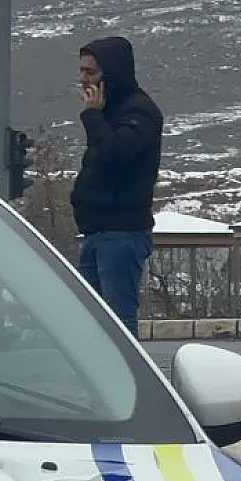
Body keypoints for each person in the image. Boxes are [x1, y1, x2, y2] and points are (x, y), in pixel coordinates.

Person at [69, 36, 163, 337]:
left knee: (118, 322)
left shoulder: (140, 112)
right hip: (96, 231)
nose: (84, 80)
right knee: (94, 321)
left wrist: (93, 117)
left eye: (91, 73)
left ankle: (130, 381)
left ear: (112, 72)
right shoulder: (109, 113)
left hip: (121, 234)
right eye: (82, 72)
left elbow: (115, 152)